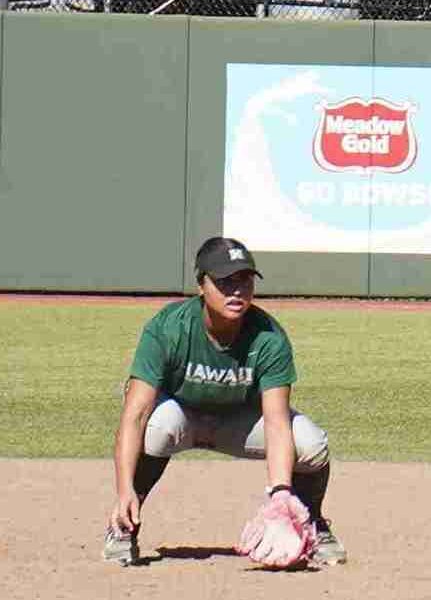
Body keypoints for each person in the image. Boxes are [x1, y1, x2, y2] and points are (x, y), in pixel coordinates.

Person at [108, 234, 341, 567]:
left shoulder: (268, 337)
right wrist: (123, 490)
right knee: (156, 426)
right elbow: (134, 414)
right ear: (201, 284)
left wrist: (281, 494)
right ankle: (124, 524)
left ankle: (312, 522)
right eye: (225, 281)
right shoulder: (168, 329)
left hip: (238, 423)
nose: (237, 290)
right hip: (183, 418)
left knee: (311, 442)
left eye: (245, 280)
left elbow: (276, 422)